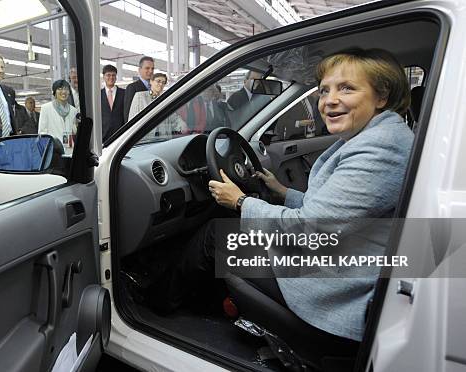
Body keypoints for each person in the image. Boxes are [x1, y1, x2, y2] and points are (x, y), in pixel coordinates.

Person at [150, 48, 413, 351]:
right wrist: (283, 192)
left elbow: (310, 230)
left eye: (347, 88)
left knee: (215, 235)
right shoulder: (381, 135)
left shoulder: (380, 147)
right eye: (324, 90)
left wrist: (240, 202)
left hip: (332, 280)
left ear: (381, 97)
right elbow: (336, 210)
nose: (329, 100)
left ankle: (155, 305)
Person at [129, 73, 187, 140]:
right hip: (145, 138)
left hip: (163, 138)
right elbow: (132, 119)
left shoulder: (165, 100)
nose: (161, 84)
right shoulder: (140, 96)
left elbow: (173, 118)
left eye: (163, 82)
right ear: (151, 81)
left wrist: (182, 126)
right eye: (158, 81)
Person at [38, 80, 78, 155]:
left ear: (69, 92)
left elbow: (73, 131)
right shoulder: (46, 108)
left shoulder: (73, 110)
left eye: (66, 89)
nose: (63, 92)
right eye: (60, 89)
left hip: (70, 151)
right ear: (54, 92)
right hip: (53, 152)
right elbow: (42, 133)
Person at [123, 56, 154, 121]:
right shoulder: (132, 87)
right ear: (139, 70)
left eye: (152, 68)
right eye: (147, 68)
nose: (151, 71)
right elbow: (127, 113)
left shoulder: (154, 87)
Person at [100, 64, 125, 142]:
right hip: (103, 135)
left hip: (120, 133)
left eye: (113, 75)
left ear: (116, 77)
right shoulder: (97, 95)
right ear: (103, 77)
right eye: (108, 75)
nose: (111, 77)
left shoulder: (124, 93)